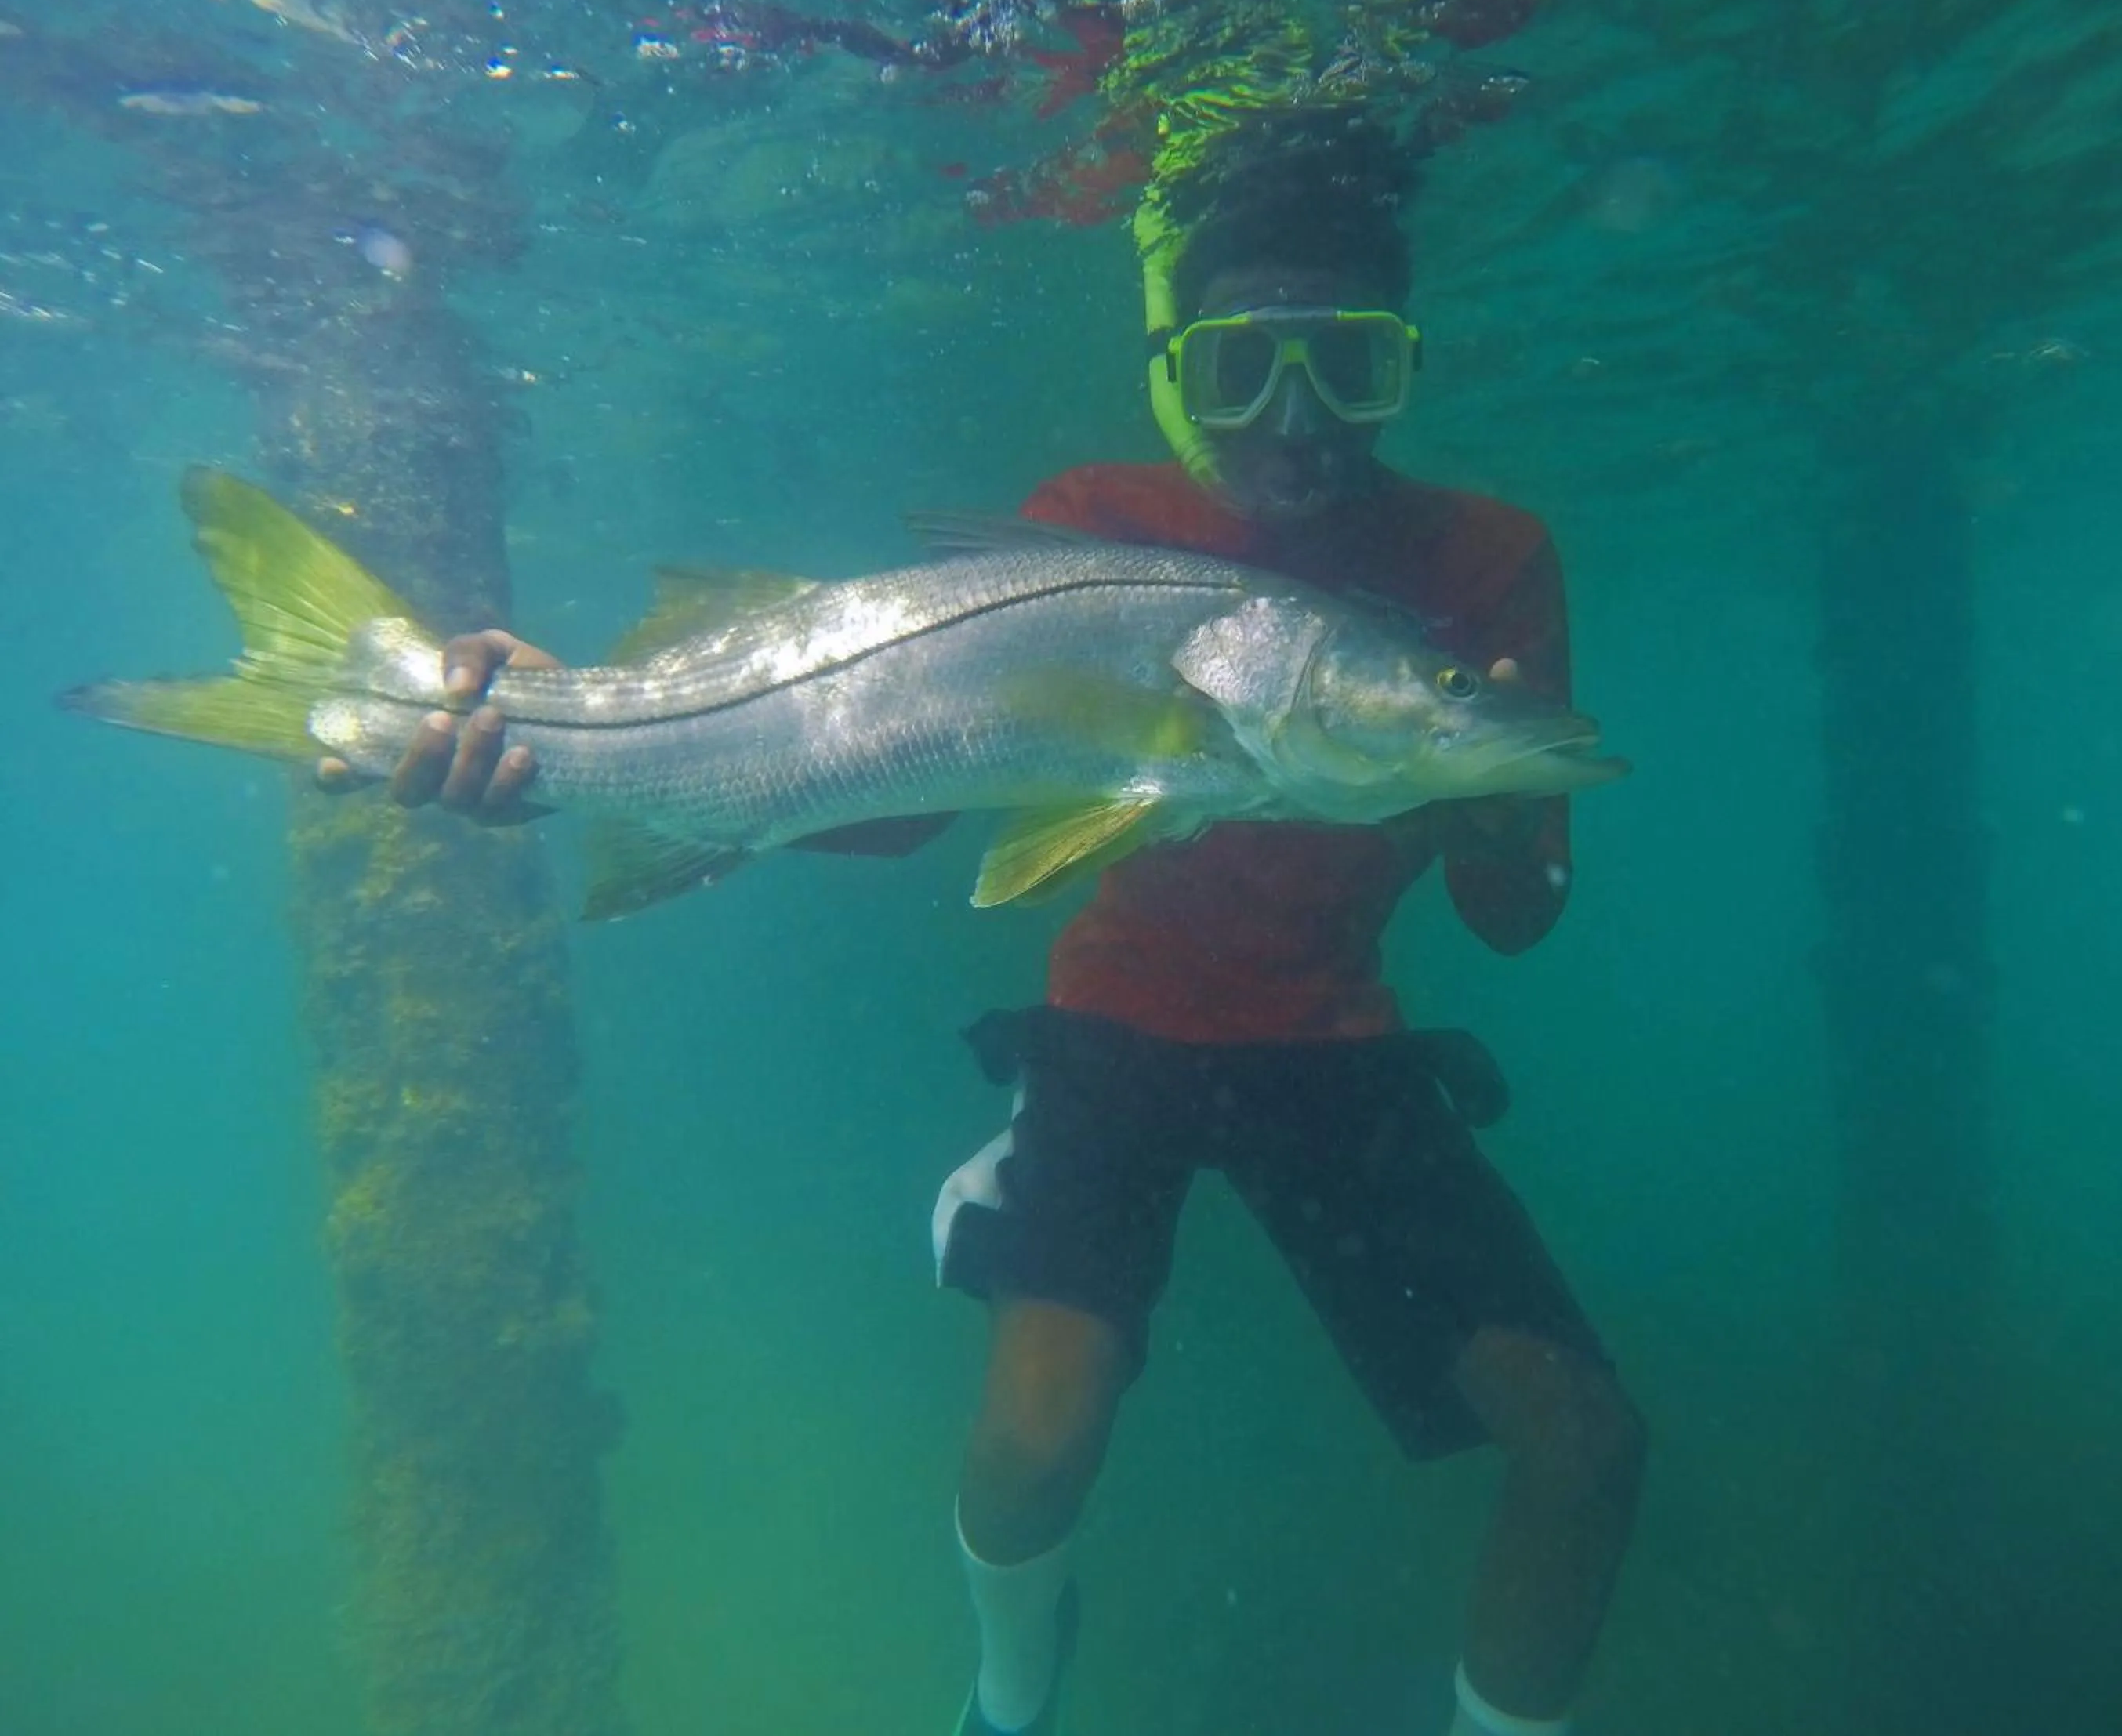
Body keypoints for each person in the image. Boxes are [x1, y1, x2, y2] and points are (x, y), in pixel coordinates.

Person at [354, 132, 1645, 1736]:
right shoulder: (1094, 524)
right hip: (1118, 1021)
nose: (1295, 417)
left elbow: (1515, 917)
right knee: (1030, 1450)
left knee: (1588, 1443)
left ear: (1404, 367)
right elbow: (894, 780)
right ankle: (1009, 1698)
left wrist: (1478, 791)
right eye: (1237, 370)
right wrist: (579, 731)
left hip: (1333, 1042)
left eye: (1348, 365)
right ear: (1175, 369)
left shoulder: (1489, 564)